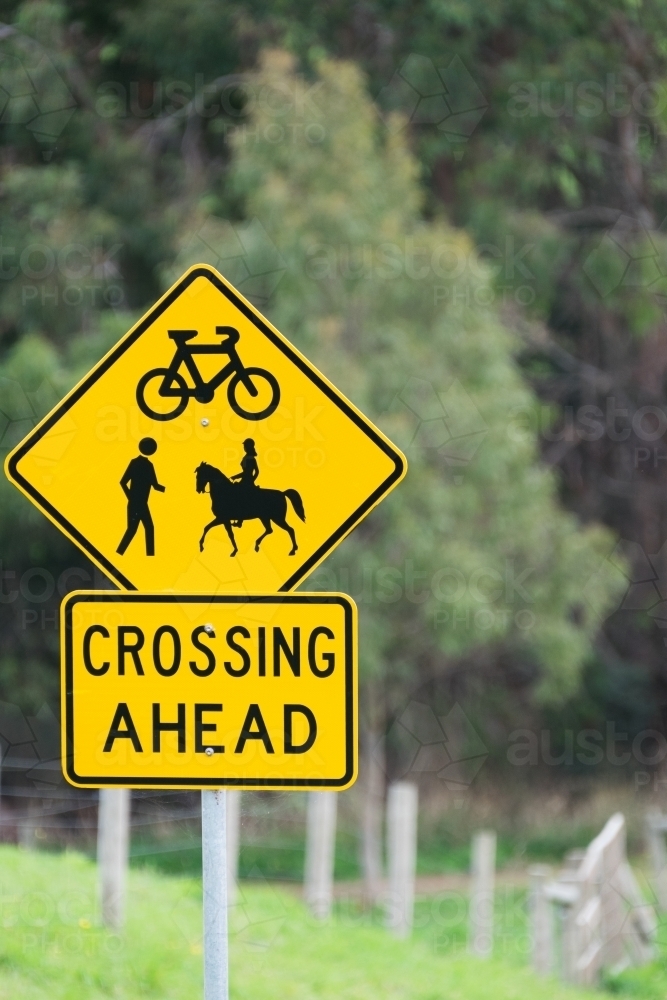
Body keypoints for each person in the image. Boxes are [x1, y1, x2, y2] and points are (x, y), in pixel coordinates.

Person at [116, 437, 165, 556]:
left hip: (141, 503)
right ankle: (120, 553)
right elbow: (123, 482)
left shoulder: (146, 464)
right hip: (137, 503)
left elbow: (154, 485)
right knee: (135, 529)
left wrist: (131, 497)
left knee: (145, 528)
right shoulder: (141, 464)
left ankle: (149, 555)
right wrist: (131, 497)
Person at [230, 437, 259, 526]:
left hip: (246, 482)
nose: (244, 447)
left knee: (238, 496)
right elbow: (254, 472)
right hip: (245, 480)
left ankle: (239, 520)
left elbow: (252, 472)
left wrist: (250, 480)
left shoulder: (250, 458)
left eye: (245, 446)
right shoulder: (247, 457)